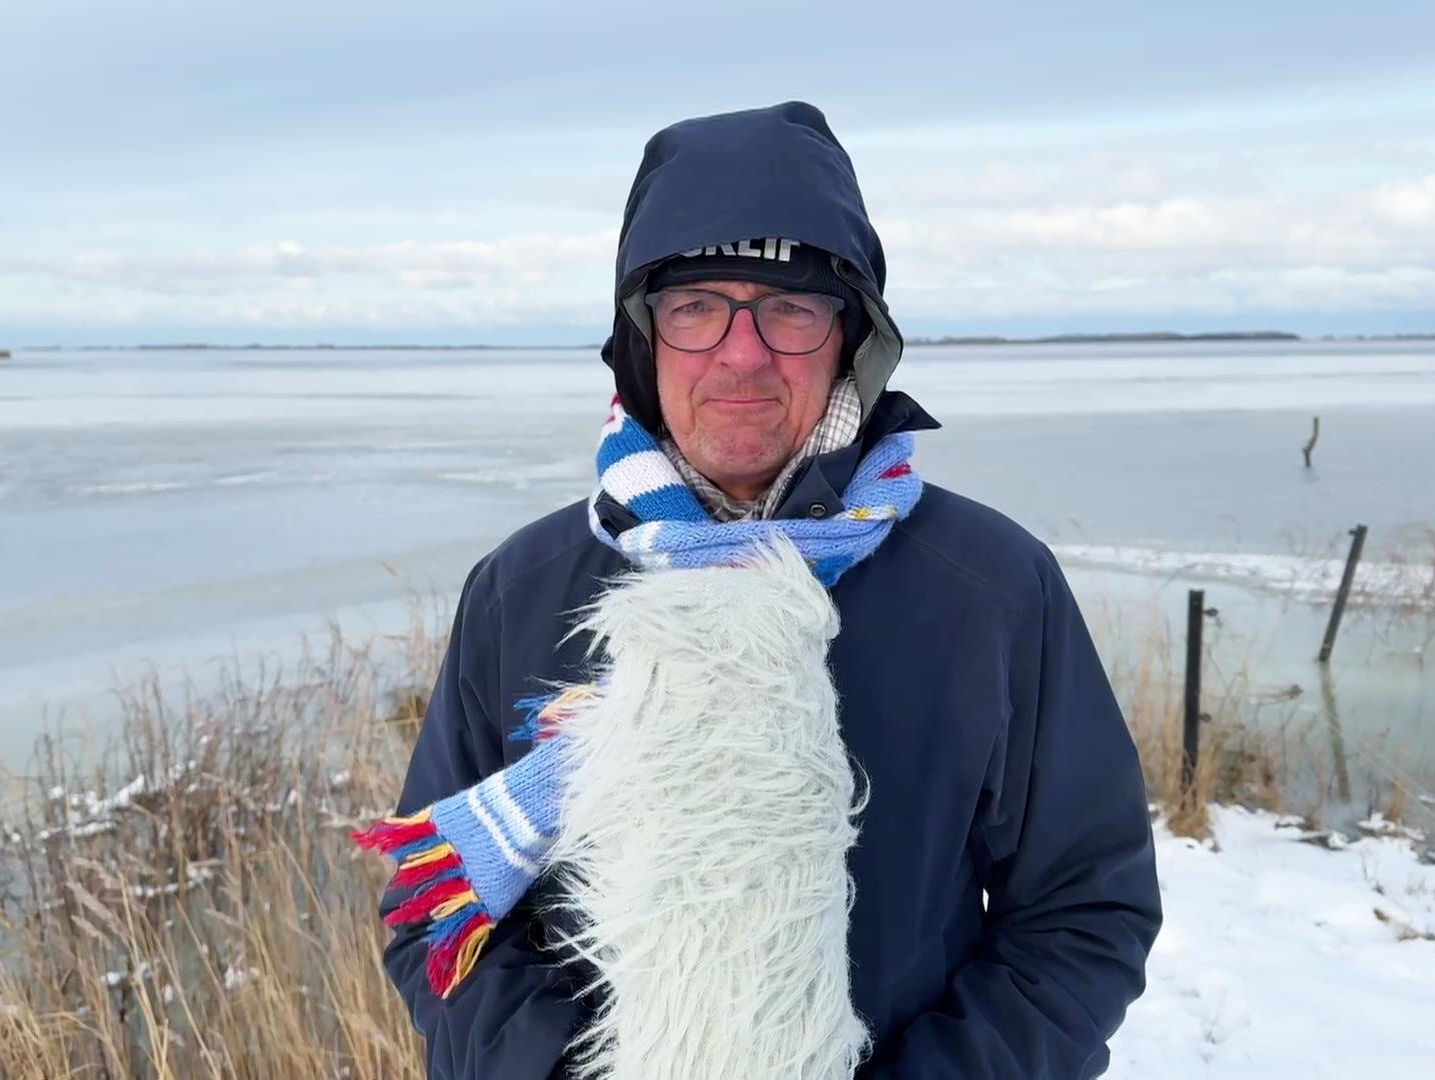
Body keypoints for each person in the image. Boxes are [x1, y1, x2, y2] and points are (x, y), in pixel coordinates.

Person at [365, 100, 1161, 1079]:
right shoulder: (521, 592)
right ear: (641, 339)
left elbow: (1084, 909)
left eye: (789, 306)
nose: (742, 354)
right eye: (696, 305)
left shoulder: (991, 588)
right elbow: (433, 916)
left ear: (852, 335)